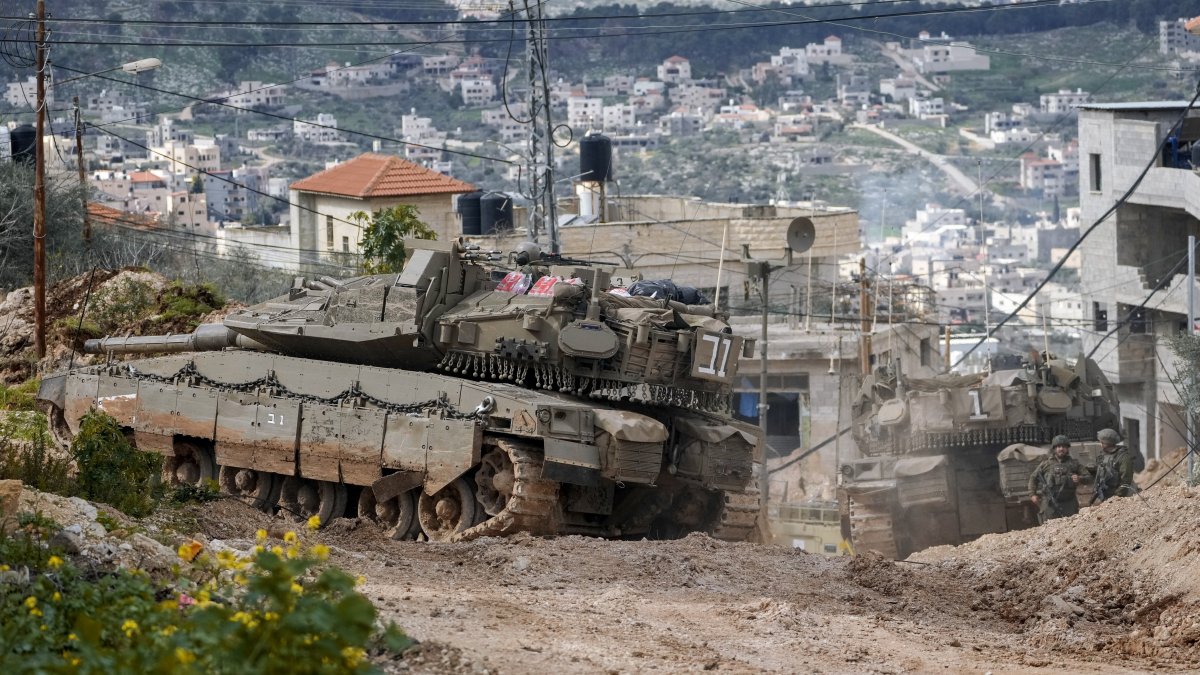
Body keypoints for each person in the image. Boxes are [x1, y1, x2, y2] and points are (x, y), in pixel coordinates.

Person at [1028, 435, 1089, 522]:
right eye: (1059, 446)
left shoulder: (1074, 464)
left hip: (1069, 503)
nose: (1061, 449)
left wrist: (1080, 478)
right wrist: (1032, 494)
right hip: (1049, 504)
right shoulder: (1045, 464)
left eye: (1064, 446)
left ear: (1067, 449)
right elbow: (1033, 478)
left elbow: (1089, 478)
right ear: (1054, 448)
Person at [1093, 427, 1137, 502]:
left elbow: (1125, 481)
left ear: (1106, 443)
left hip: (1123, 497)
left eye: (1101, 442)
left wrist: (1115, 498)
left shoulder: (1123, 457)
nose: (1100, 443)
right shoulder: (1103, 455)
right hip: (1106, 494)